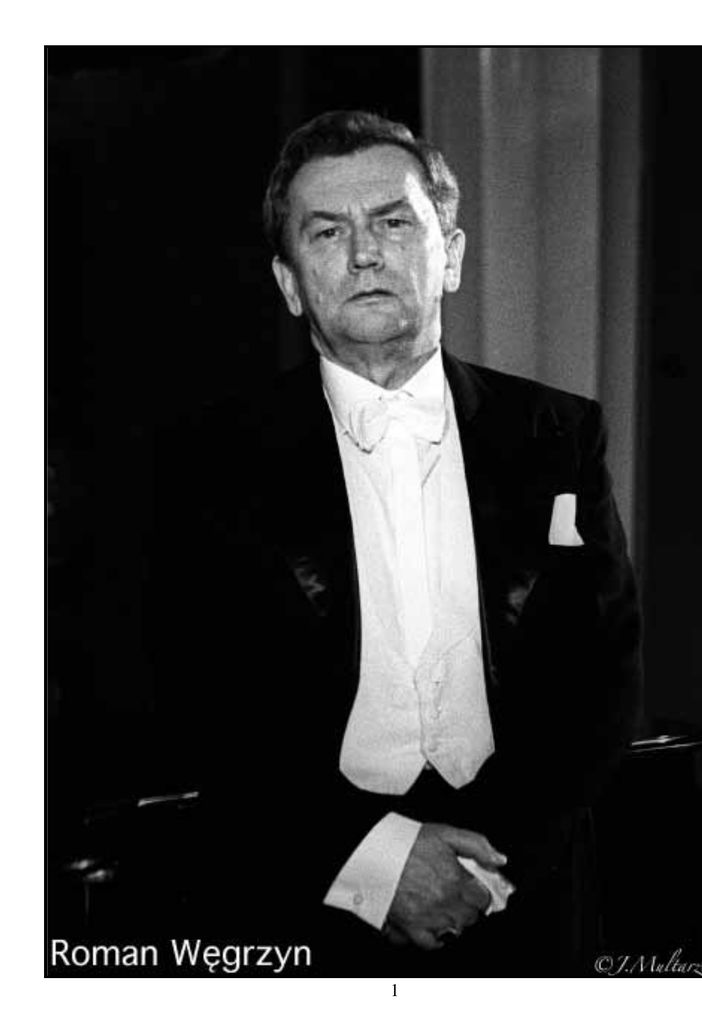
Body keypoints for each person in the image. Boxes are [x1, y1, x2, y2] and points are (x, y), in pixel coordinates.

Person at [151, 109, 641, 977]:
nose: (363, 254)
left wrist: (491, 868)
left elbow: (598, 672)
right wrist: (372, 861)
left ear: (449, 255)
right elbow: (194, 694)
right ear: (289, 282)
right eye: (326, 232)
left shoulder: (560, 433)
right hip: (298, 905)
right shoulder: (206, 457)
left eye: (392, 223)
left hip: (521, 900)